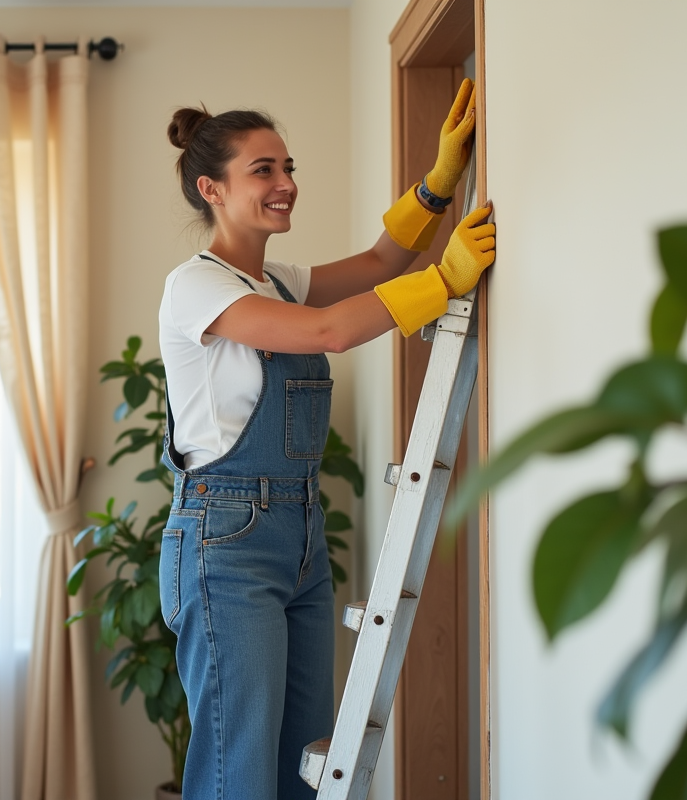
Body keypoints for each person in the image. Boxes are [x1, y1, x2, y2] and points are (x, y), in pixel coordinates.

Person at [158, 79, 493, 800]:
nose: (286, 185)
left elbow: (376, 266)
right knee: (237, 767)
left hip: (300, 538)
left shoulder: (276, 280)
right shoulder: (195, 287)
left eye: (289, 169)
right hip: (227, 543)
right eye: (264, 171)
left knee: (304, 761)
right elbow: (329, 332)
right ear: (212, 189)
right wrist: (445, 279)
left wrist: (436, 186)